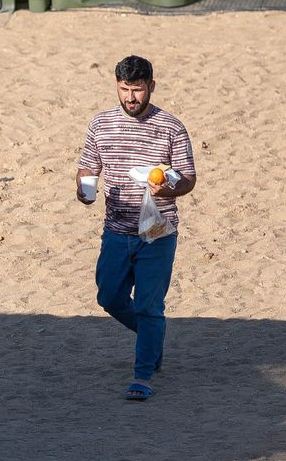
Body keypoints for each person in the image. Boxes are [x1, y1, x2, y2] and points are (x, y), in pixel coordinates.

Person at [75, 55, 196, 402]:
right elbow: (88, 167)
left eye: (137, 90)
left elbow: (188, 179)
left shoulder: (171, 127)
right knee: (108, 296)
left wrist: (167, 188)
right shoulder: (101, 124)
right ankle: (151, 335)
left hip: (157, 231)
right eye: (125, 89)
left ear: (151, 87)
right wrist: (85, 190)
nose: (130, 97)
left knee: (148, 304)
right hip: (116, 229)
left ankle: (143, 374)